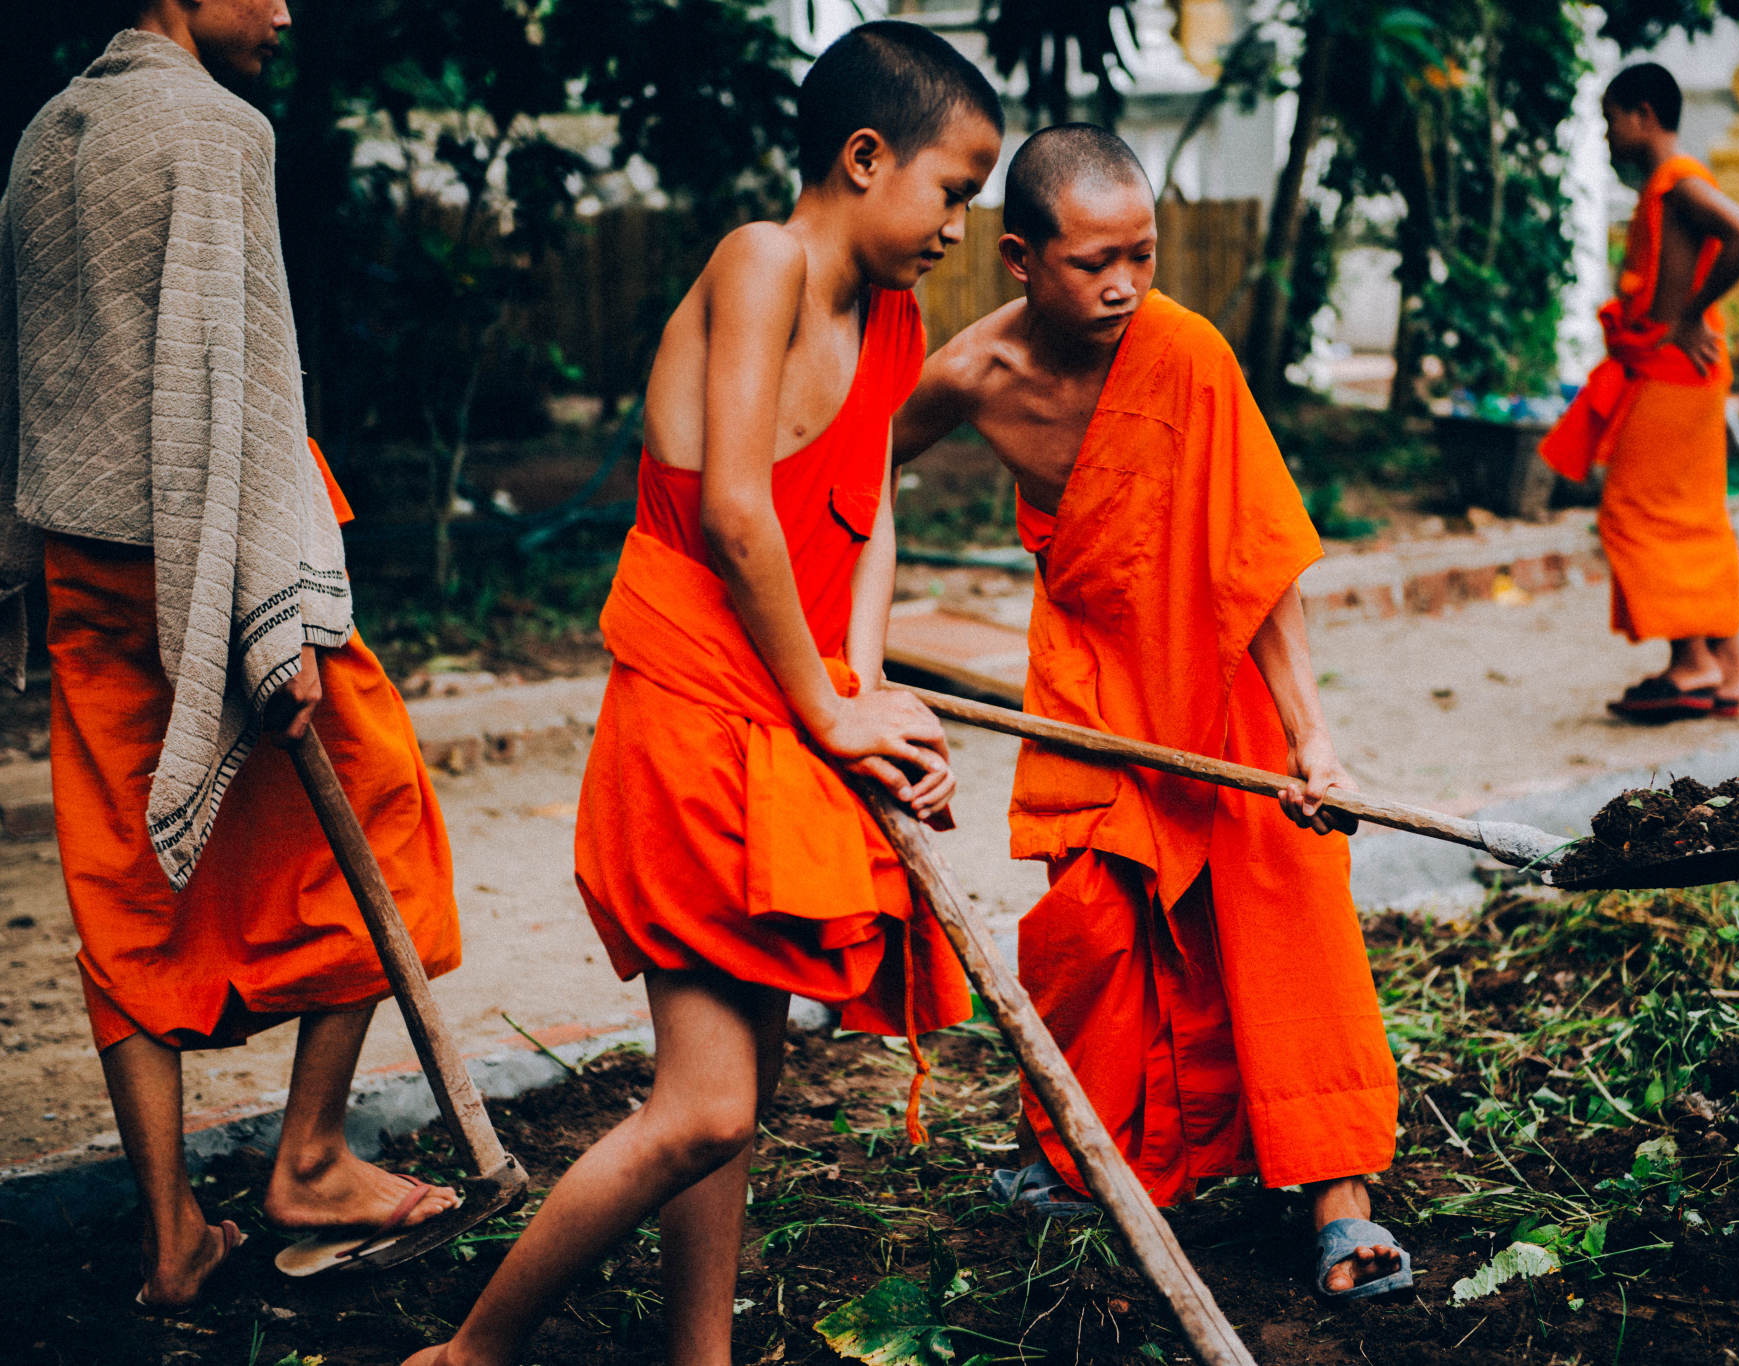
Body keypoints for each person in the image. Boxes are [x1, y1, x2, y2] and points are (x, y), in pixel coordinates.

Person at [402, 23, 1002, 1365]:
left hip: (785, 716)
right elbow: (737, 510)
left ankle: (699, 1351)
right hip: (689, 719)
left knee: (741, 1078)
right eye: (953, 189)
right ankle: (471, 1351)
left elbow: (867, 511)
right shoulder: (765, 260)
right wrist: (834, 708)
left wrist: (874, 688)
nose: (962, 225)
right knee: (706, 1106)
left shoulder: (892, 318)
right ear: (864, 156)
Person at [894, 124, 1410, 1301]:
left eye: (1145, 253)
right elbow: (849, 481)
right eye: (1095, 262)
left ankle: (1338, 1199)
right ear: (1020, 257)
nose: (1127, 283)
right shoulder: (970, 373)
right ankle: (1087, 1150)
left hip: (1218, 688)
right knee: (1090, 921)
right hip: (1089, 684)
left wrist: (1309, 737)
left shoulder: (1188, 355)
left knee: (1284, 912)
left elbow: (1254, 564)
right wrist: (841, 657)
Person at [0, 0, 463, 1310]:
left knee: (125, 879)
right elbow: (246, 397)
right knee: (382, 819)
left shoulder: (44, 135)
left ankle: (170, 1236)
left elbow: (22, 372)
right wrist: (274, 615)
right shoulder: (218, 128)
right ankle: (309, 1157)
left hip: (86, 559)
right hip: (217, 553)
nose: (282, 9)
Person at [1541, 62, 1739, 724]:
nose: (1608, 136)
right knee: (1693, 514)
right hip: (1680, 371)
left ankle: (1689, 661)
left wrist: (1694, 312)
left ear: (1642, 114)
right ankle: (1727, 670)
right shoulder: (1667, 187)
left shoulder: (1677, 180)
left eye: (1611, 119)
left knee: (1635, 512)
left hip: (1675, 368)